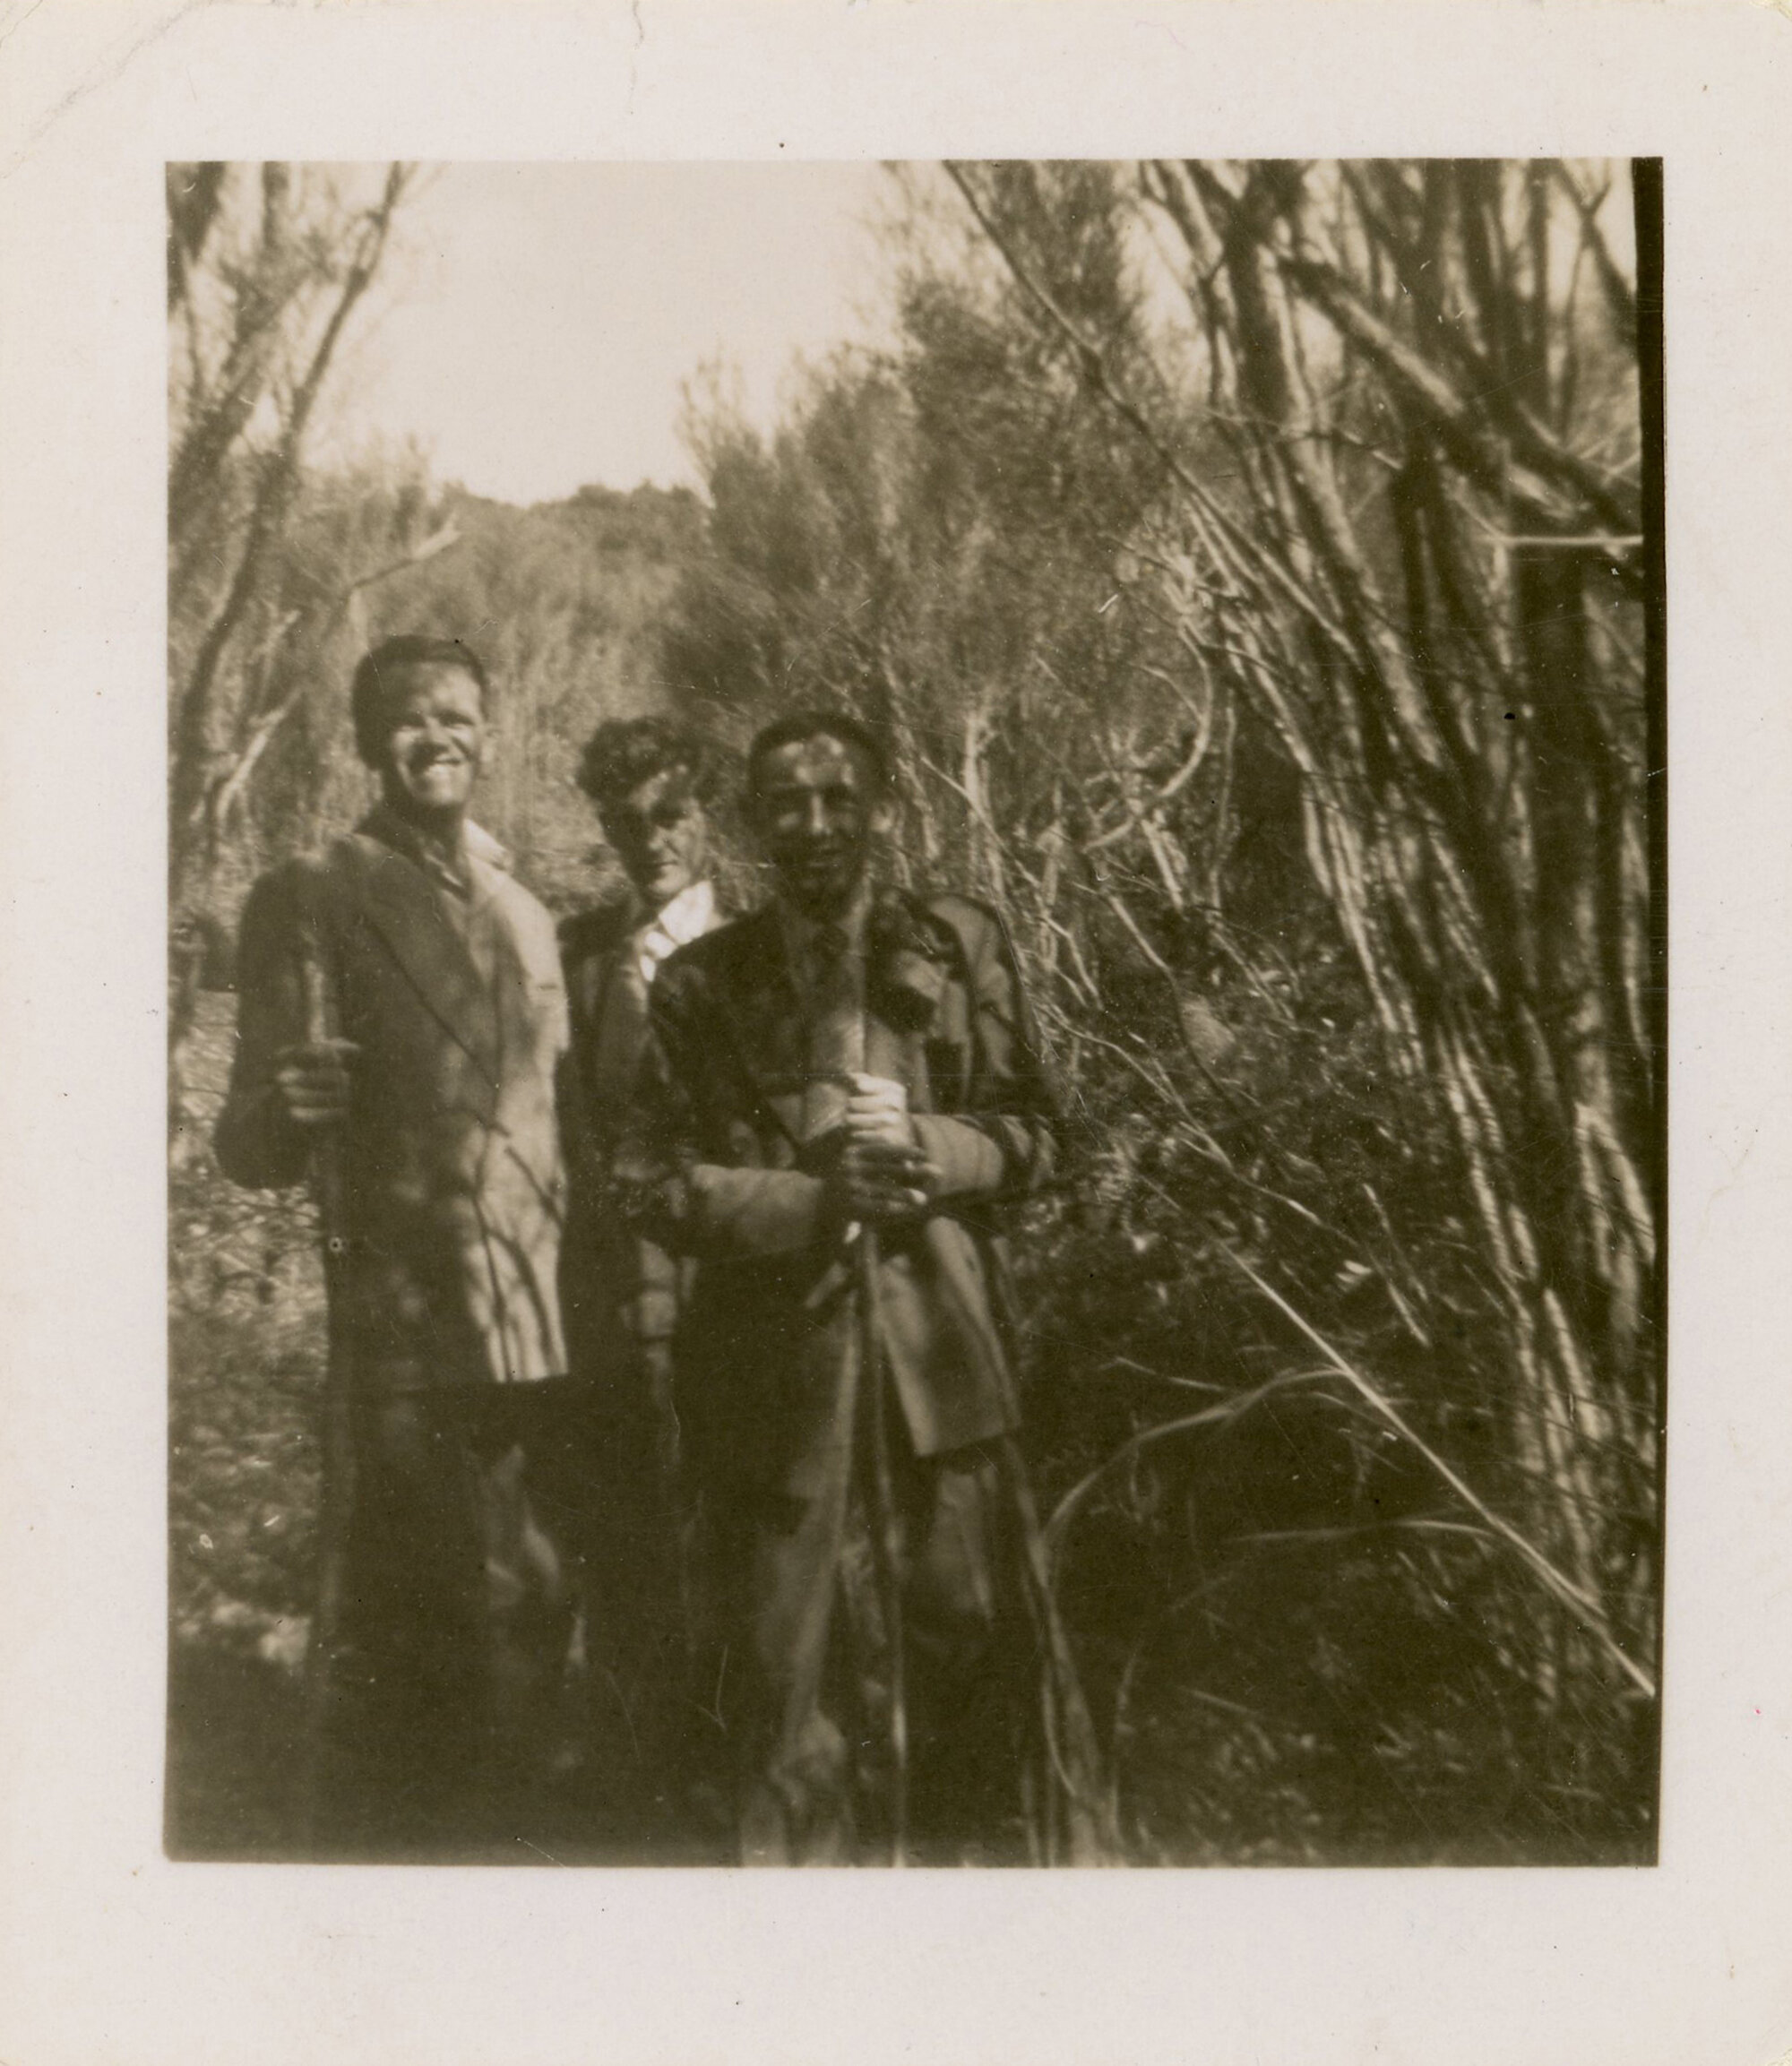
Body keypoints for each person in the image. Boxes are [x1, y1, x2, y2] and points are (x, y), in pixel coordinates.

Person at [617, 708, 1106, 1865]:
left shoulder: (958, 939)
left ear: (880, 810)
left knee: (967, 1655)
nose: (815, 823)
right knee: (794, 1687)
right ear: (754, 820)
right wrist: (808, 1197)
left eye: (840, 799)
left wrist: (936, 1144)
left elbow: (1043, 1134)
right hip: (773, 1397)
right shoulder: (700, 981)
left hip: (941, 1380)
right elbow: (645, 1183)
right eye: (787, 801)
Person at [215, 634, 583, 1855]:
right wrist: (290, 1105)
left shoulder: (530, 915)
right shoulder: (312, 890)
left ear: (489, 731)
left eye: (461, 715)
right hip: (407, 1321)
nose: (441, 737)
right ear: (371, 743)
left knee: (530, 1593)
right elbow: (250, 1139)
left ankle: (514, 1839)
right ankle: (403, 1865)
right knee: (419, 1607)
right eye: (412, 719)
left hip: (536, 1312)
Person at [557, 716, 728, 1844]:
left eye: (668, 814)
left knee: (715, 1524)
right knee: (615, 1520)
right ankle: (639, 1768)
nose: (650, 840)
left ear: (704, 812)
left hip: (724, 1293)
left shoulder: (760, 948)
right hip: (598, 1291)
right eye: (627, 823)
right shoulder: (577, 948)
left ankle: (721, 1767)